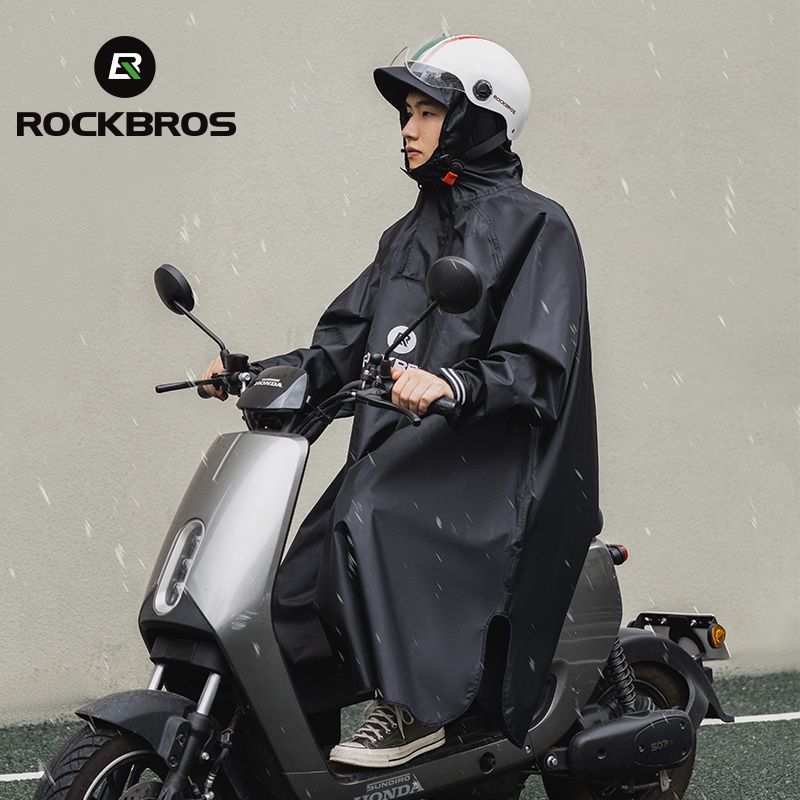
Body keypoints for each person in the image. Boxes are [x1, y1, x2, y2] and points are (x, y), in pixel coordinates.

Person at [202, 33, 599, 769]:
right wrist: (255, 374)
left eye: (427, 112)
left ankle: (416, 709)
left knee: (367, 513)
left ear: (479, 117)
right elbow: (344, 345)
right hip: (399, 460)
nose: (408, 129)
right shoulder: (408, 235)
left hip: (484, 468)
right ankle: (285, 758)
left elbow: (536, 366)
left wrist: (454, 384)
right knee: (291, 597)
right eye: (405, 113)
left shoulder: (537, 225)